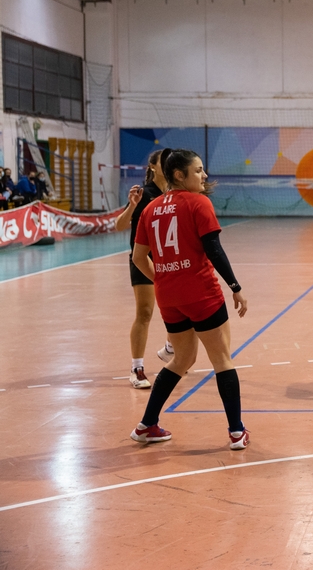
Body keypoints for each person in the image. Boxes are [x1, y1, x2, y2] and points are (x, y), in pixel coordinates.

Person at [128, 149, 250, 449]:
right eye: (198, 170)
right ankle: (237, 432)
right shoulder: (198, 202)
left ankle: (146, 425)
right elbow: (213, 249)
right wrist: (235, 286)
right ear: (179, 175)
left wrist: (161, 278)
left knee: (182, 359)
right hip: (201, 293)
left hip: (169, 298)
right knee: (222, 359)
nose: (204, 175)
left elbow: (138, 257)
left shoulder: (150, 208)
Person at [114, 150, 175, 389]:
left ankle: (170, 349)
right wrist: (131, 207)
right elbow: (119, 225)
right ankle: (136, 368)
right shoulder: (144, 193)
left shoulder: (174, 194)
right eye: (164, 162)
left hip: (169, 260)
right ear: (153, 167)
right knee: (145, 312)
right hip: (144, 260)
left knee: (180, 308)